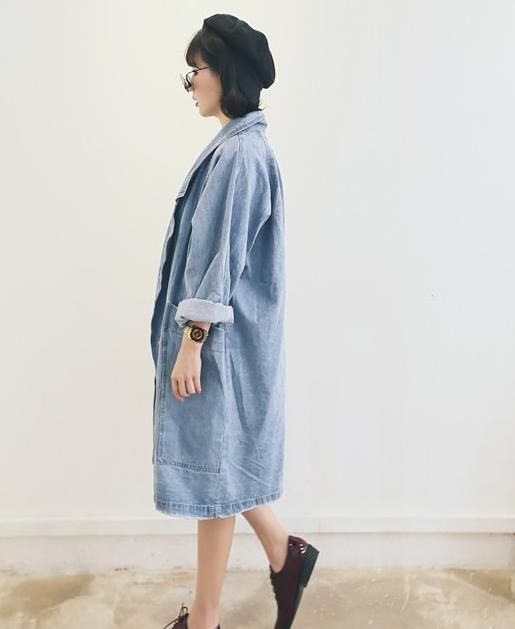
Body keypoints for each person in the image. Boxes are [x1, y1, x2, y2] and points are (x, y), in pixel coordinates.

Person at [150, 14, 320, 629]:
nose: (190, 85)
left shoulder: (242, 155)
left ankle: (209, 617)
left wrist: (192, 342)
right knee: (217, 471)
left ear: (224, 74)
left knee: (215, 475)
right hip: (227, 340)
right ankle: (282, 555)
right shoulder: (235, 146)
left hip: (220, 343)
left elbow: (218, 262)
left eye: (194, 72)